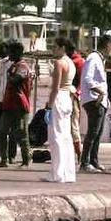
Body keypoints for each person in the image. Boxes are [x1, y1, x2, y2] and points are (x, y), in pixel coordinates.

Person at [45, 37, 77, 183]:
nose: (53, 49)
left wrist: (48, 106)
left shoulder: (59, 63)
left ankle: (57, 174)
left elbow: (55, 88)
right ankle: (68, 173)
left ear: (62, 48)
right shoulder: (71, 63)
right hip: (67, 99)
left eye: (55, 47)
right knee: (66, 136)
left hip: (59, 98)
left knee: (55, 137)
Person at [0, 40, 32, 168]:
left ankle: (26, 160)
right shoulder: (12, 66)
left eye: (11, 52)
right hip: (8, 105)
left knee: (22, 134)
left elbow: (16, 79)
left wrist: (9, 74)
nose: (8, 54)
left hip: (20, 105)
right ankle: (4, 160)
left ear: (17, 52)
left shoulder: (23, 66)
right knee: (1, 132)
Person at [79, 34, 111, 173]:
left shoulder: (100, 59)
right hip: (94, 99)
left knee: (97, 133)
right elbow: (87, 79)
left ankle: (94, 160)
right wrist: (100, 92)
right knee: (92, 132)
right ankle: (85, 163)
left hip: (101, 101)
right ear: (108, 45)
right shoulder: (93, 58)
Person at [65, 40, 85, 162]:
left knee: (73, 126)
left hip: (72, 95)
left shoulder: (76, 62)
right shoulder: (76, 61)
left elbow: (81, 81)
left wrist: (76, 92)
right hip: (70, 94)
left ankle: (79, 153)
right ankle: (77, 153)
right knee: (72, 126)